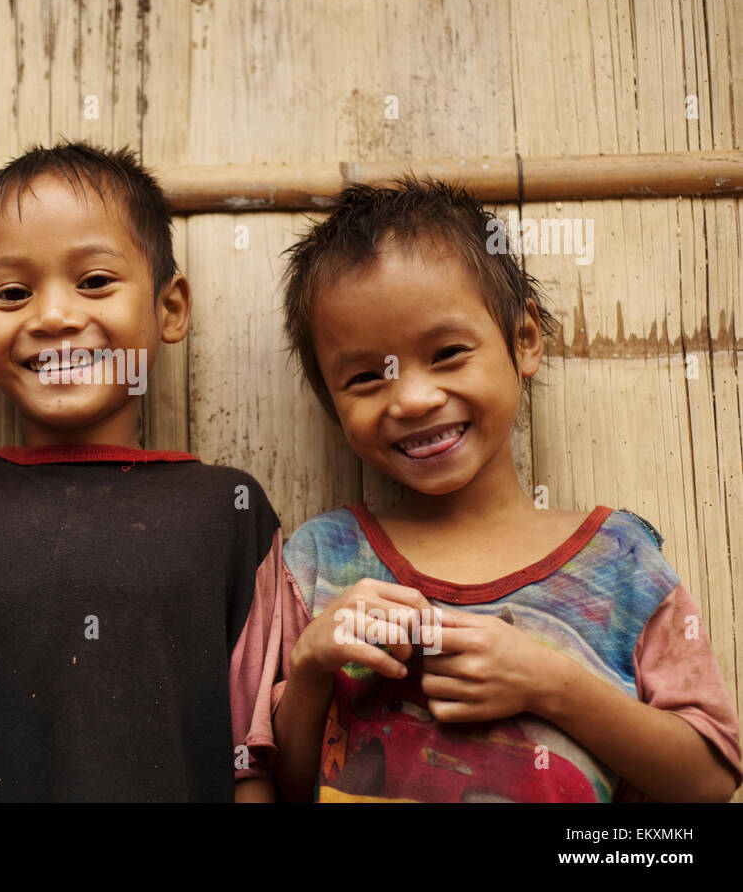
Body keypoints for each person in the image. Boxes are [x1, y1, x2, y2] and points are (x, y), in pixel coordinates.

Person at [272, 176, 742, 802]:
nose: (413, 398)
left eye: (446, 353)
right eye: (365, 377)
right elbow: (277, 785)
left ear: (524, 340)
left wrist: (551, 684)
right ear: (330, 402)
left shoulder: (621, 562)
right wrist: (309, 668)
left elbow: (709, 782)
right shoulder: (320, 562)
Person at [0, 141, 284, 801]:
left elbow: (254, 755)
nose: (54, 315)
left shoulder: (227, 509)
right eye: (11, 293)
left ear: (169, 309)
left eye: (94, 281)